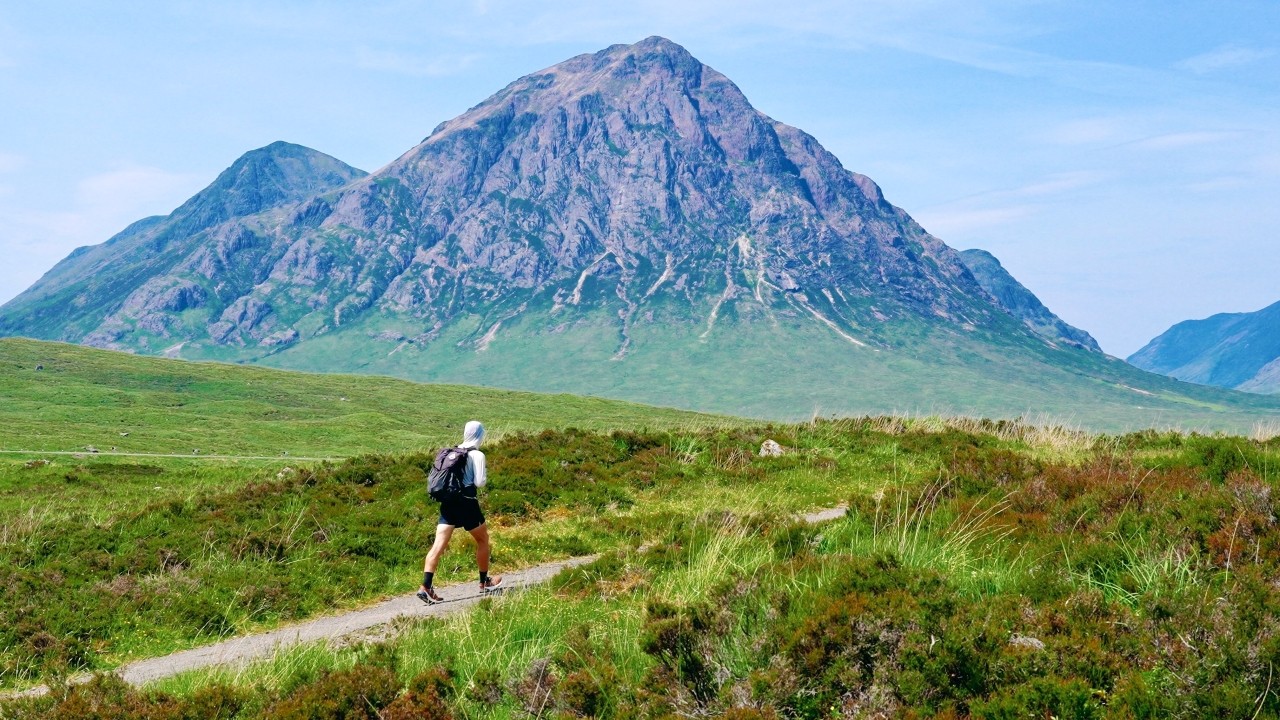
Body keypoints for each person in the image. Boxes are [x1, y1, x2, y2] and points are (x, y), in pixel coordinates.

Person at [417, 420, 503, 603]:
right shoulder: (477, 455)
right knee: (482, 540)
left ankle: (425, 586)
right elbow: (480, 482)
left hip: (448, 503)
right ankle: (484, 582)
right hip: (467, 503)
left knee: (438, 545)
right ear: (480, 434)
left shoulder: (451, 452)